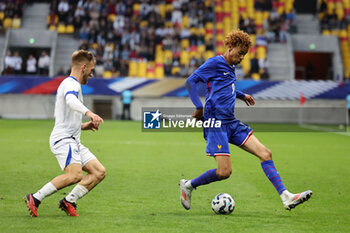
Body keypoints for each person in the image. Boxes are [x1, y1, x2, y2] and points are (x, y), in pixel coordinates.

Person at [179, 29, 312, 211]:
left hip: (231, 122)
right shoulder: (215, 63)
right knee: (224, 173)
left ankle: (286, 197)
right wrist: (198, 107)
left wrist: (241, 95)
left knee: (266, 154)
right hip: (216, 123)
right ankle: (188, 185)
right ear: (231, 47)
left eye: (245, 54)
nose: (242, 57)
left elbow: (224, 86)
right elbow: (190, 82)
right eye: (240, 53)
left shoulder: (231, 66)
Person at [25, 50, 106, 217]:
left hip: (72, 139)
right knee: (75, 175)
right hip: (63, 140)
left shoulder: (71, 85)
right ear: (83, 67)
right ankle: (35, 197)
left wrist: (84, 126)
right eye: (90, 70)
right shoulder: (71, 84)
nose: (91, 74)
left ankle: (69, 200)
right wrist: (89, 113)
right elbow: (70, 101)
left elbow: (64, 117)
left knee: (99, 171)